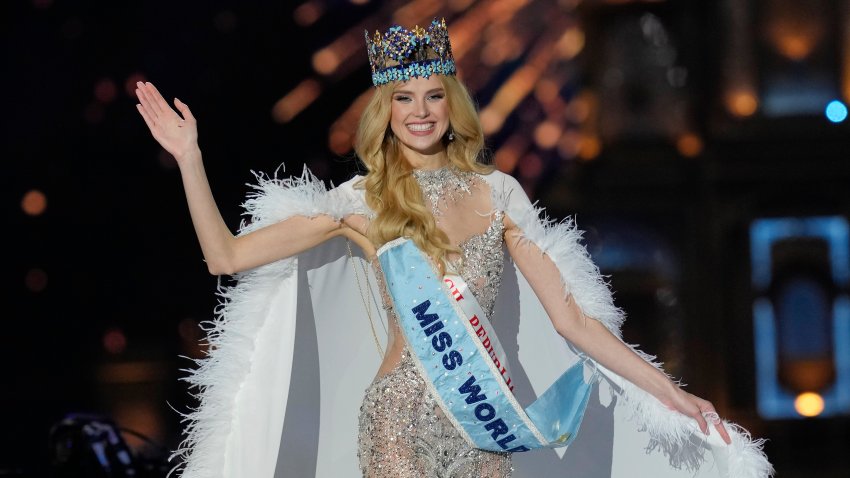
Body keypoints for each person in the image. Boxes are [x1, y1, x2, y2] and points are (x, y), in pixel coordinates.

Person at [135, 18, 771, 478]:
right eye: (403, 99)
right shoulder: (361, 201)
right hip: (397, 427)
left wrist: (672, 394)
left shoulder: (500, 193)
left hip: (482, 430)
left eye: (433, 95)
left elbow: (572, 320)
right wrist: (191, 159)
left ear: (452, 104)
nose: (420, 112)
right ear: (384, 112)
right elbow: (225, 257)